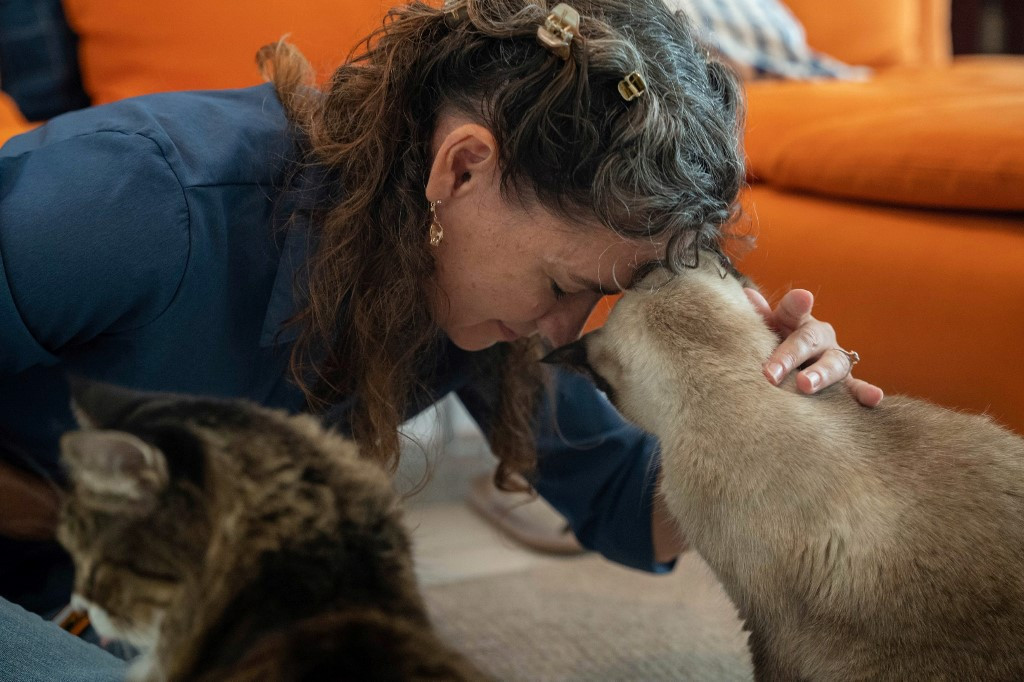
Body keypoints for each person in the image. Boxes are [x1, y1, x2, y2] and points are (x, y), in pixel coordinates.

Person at [0, 0, 882, 676]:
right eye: (565, 284)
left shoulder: (469, 288)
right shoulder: (137, 205)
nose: (566, 329)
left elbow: (627, 504)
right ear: (464, 166)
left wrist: (780, 438)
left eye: (599, 297)